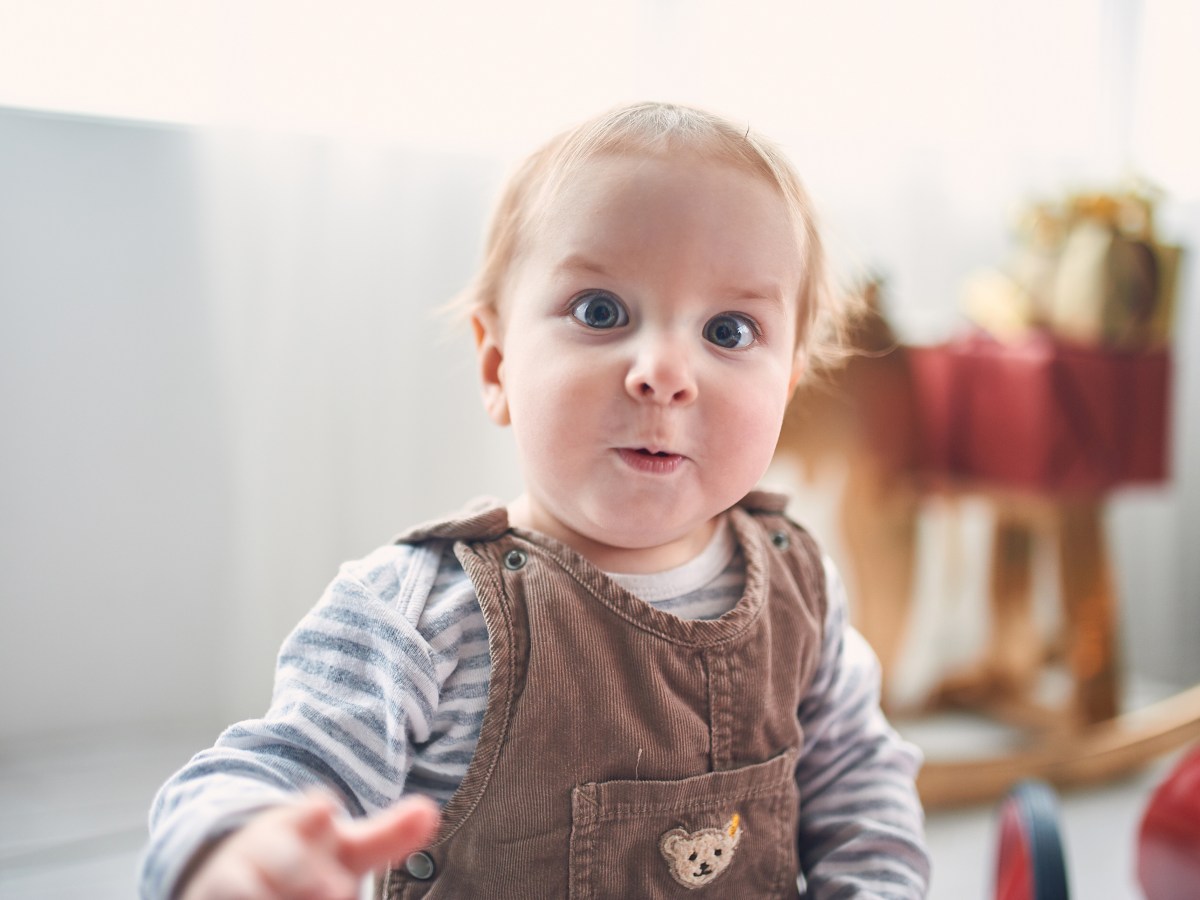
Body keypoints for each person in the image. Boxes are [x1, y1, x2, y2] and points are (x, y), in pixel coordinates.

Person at [141, 101, 931, 899]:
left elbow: (861, 788)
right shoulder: (423, 614)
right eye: (600, 312)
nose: (663, 370)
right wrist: (242, 849)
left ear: (788, 386)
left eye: (728, 331)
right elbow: (281, 765)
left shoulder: (804, 590)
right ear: (496, 365)